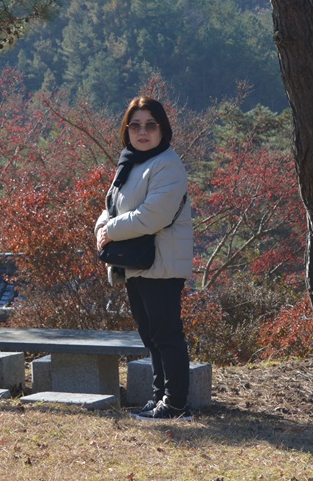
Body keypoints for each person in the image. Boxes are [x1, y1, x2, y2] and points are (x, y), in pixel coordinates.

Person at [95, 96, 195, 421]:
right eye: (135, 125)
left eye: (150, 125)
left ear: (162, 129)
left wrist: (110, 230)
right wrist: (102, 229)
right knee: (150, 335)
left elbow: (153, 216)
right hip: (138, 262)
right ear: (126, 130)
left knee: (166, 335)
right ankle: (159, 397)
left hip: (162, 263)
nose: (142, 131)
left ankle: (176, 404)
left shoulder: (167, 165)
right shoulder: (131, 163)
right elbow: (111, 206)